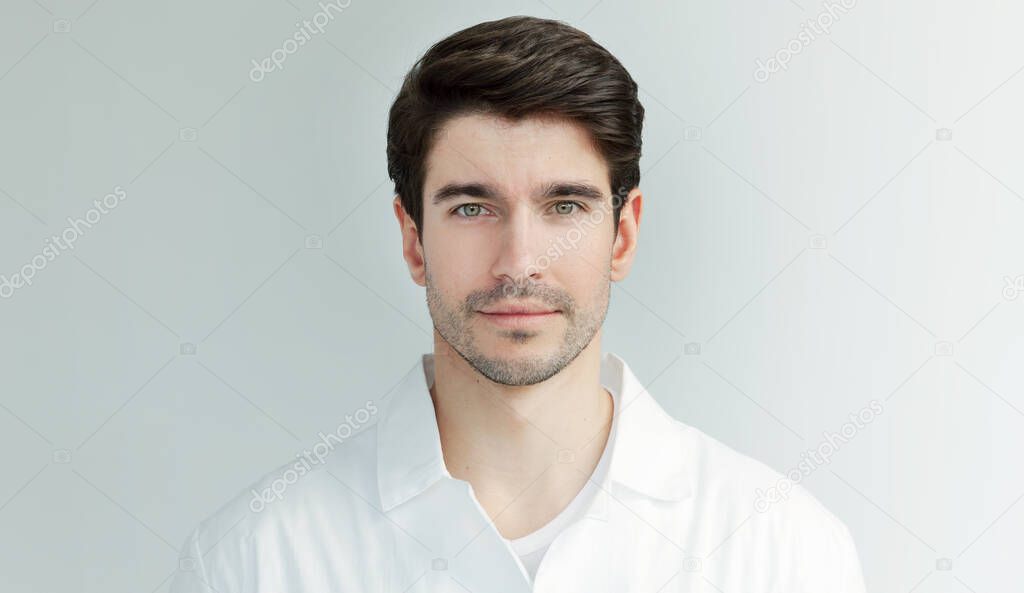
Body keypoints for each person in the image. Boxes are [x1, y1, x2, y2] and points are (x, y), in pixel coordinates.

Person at [170, 14, 867, 592]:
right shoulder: (253, 563)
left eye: (564, 205)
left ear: (622, 234)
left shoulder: (785, 553)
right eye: (473, 207)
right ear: (413, 240)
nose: (519, 262)